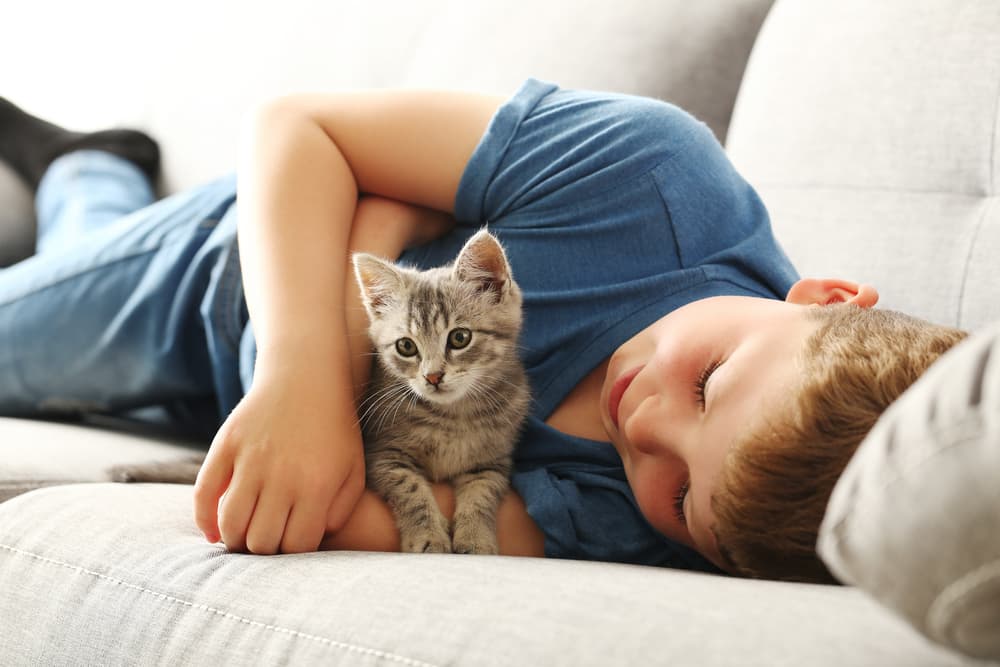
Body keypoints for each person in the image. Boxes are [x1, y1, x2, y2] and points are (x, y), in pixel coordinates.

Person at [0, 79, 967, 583]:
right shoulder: (654, 178)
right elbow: (307, 130)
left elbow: (356, 515)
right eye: (710, 382)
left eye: (677, 491)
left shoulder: (650, 526)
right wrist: (305, 381)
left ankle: (94, 172)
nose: (646, 428)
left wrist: (382, 223)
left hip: (238, 399)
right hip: (224, 272)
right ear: (827, 298)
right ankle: (99, 183)